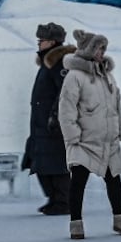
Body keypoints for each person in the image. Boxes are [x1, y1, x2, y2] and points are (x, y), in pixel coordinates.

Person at [59, 28, 121, 239]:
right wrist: (72, 136)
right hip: (84, 141)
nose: (102, 52)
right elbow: (66, 108)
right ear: (88, 50)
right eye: (99, 48)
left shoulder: (107, 76)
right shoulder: (74, 76)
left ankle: (119, 218)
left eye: (103, 48)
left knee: (114, 179)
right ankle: (76, 223)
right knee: (78, 182)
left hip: (108, 140)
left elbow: (116, 104)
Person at [23, 22, 73, 216]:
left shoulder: (60, 63)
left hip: (54, 125)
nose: (39, 43)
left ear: (52, 42)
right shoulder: (48, 62)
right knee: (41, 161)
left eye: (42, 40)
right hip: (41, 123)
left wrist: (55, 117)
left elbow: (64, 93)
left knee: (57, 162)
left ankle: (63, 201)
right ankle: (54, 199)